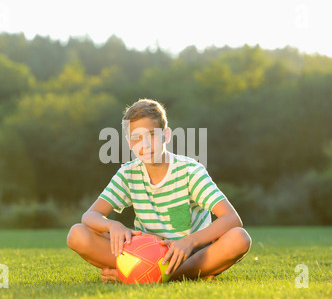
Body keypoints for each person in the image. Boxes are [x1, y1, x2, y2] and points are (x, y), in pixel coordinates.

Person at [67, 99, 251, 282]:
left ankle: (147, 275)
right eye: (136, 138)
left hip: (190, 256)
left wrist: (190, 241)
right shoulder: (128, 173)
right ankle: (164, 274)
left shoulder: (190, 170)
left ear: (166, 135)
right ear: (129, 143)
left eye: (152, 135)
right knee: (77, 234)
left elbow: (232, 218)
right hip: (145, 255)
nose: (145, 144)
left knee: (239, 238)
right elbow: (90, 216)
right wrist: (112, 225)